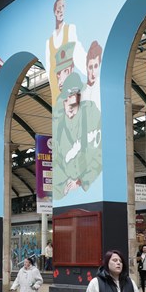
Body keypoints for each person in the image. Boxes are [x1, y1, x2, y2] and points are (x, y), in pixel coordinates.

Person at [52, 71, 101, 199]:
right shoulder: (59, 126)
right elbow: (57, 162)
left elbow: (100, 153)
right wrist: (62, 188)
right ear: (64, 101)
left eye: (75, 106)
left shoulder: (91, 113)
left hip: (88, 186)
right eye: (69, 107)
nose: (72, 112)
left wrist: (82, 180)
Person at [45, 0, 86, 106]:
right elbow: (49, 70)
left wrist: (90, 73)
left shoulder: (70, 29)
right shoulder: (49, 42)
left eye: (63, 7)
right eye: (59, 7)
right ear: (55, 11)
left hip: (68, 88)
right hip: (56, 91)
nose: (61, 10)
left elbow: (79, 55)